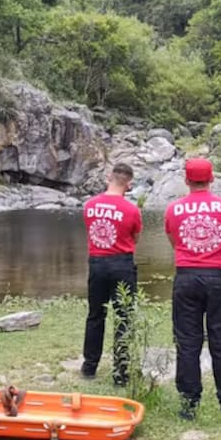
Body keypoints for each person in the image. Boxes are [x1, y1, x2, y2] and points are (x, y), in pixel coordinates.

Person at [164, 159, 221, 424]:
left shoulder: (173, 209)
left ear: (186, 180)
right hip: (220, 277)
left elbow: (175, 242)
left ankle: (189, 406)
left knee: (187, 343)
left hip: (187, 278)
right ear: (212, 178)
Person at [80, 163, 142, 385]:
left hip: (97, 263)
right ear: (129, 184)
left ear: (109, 178)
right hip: (121, 264)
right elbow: (134, 238)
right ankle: (121, 372)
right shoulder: (132, 210)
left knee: (95, 315)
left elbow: (91, 231)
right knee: (123, 316)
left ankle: (89, 366)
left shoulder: (90, 205)